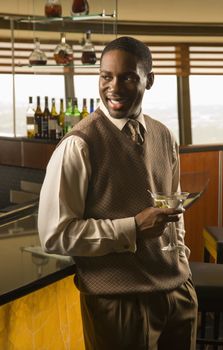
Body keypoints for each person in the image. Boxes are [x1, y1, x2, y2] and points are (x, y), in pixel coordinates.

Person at [38, 36, 198, 350]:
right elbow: (54, 235)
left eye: (128, 77)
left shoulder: (165, 136)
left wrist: (184, 268)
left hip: (178, 294)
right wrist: (133, 227)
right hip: (119, 305)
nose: (114, 87)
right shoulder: (78, 144)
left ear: (149, 80)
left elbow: (174, 211)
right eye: (106, 77)